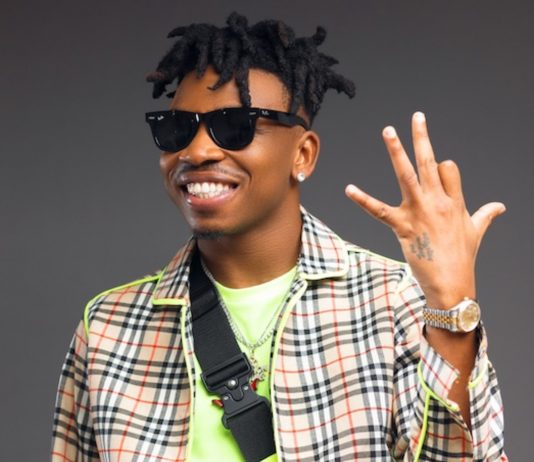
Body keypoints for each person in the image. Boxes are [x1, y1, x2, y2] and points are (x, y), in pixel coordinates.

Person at [51, 12, 507, 462]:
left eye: (235, 126)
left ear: (302, 154)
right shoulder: (109, 328)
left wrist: (452, 309)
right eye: (177, 129)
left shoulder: (394, 304)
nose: (197, 150)